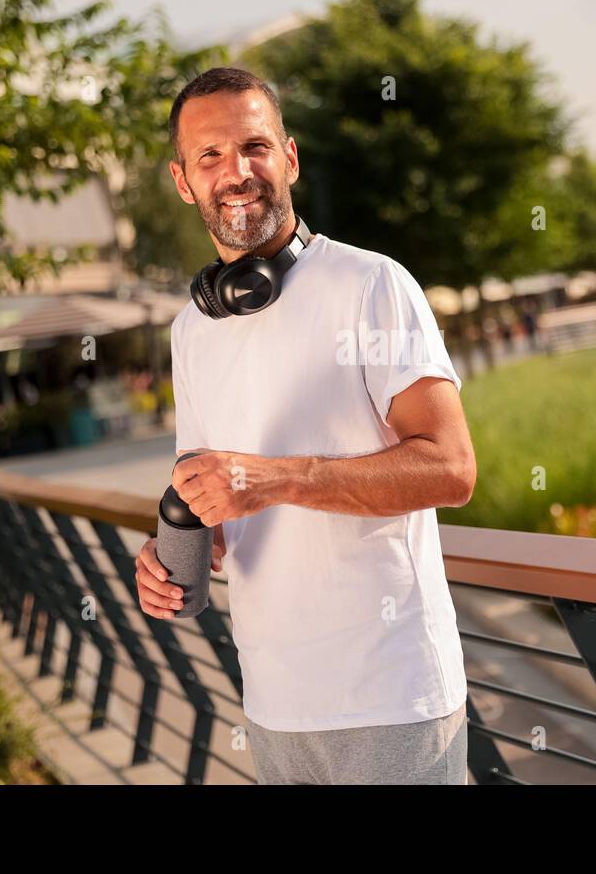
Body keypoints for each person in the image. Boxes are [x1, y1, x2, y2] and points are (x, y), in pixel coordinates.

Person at [133, 67, 475, 784]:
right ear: (183, 181)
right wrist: (167, 558)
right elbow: (211, 502)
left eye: (255, 147)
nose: (238, 172)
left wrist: (275, 479)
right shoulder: (192, 330)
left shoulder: (373, 285)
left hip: (390, 696)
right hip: (273, 704)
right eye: (211, 157)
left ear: (289, 157)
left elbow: (451, 468)